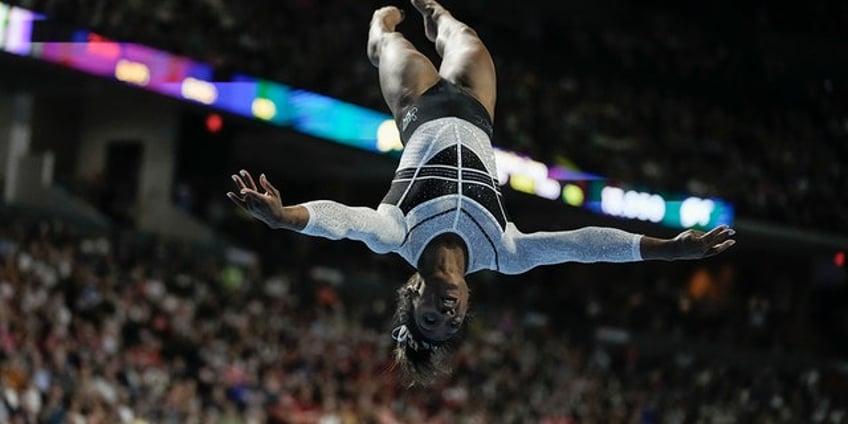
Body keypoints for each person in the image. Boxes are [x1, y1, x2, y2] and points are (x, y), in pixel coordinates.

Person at [226, 0, 736, 385]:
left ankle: (378, 33)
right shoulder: (504, 252)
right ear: (467, 303)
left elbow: (343, 221)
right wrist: (666, 249)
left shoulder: (397, 234)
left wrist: (285, 217)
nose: (446, 313)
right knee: (461, 32)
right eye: (452, 321)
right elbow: (584, 245)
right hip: (476, 110)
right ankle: (439, 20)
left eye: (430, 316)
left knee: (388, 38)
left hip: (417, 104)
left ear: (412, 293)